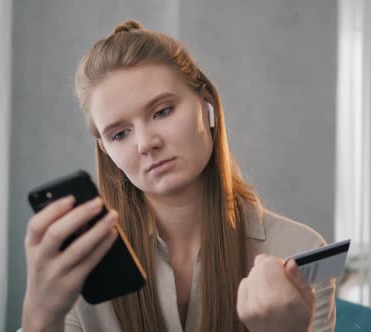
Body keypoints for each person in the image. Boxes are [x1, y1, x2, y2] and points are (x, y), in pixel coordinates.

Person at [21, 20, 336, 332]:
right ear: (106, 151)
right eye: (120, 134)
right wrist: (40, 315)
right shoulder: (80, 269)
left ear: (206, 104)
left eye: (162, 111)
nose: (146, 144)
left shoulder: (298, 252)